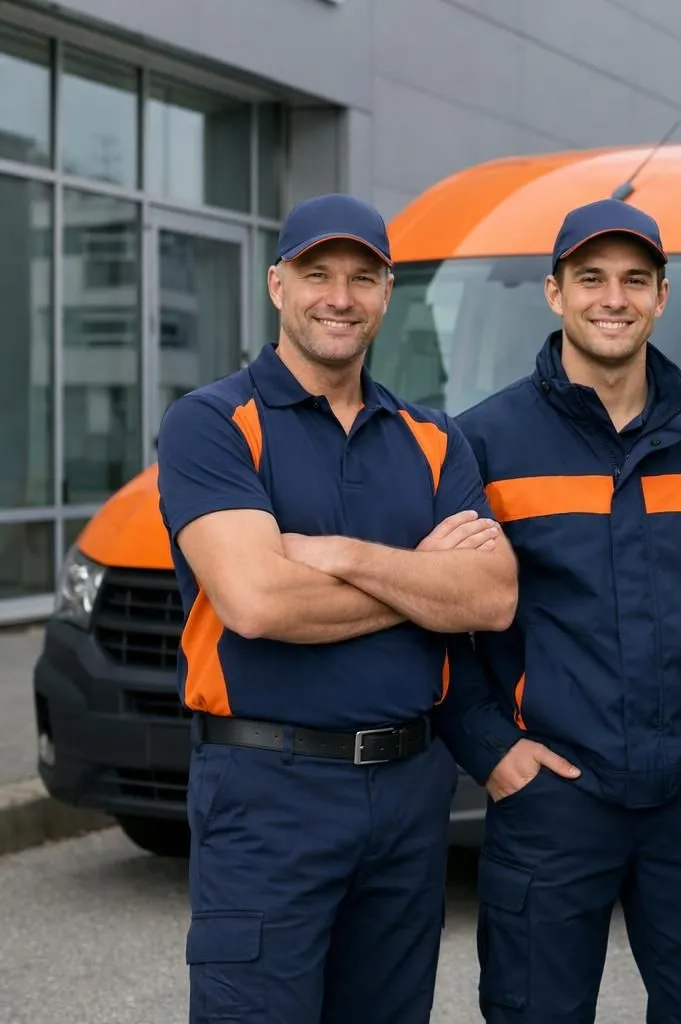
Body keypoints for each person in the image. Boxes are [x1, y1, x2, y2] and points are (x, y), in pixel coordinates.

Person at [155, 192, 522, 1024]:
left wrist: (345, 557)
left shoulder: (433, 439)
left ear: (388, 292)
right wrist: (424, 585)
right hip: (267, 792)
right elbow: (255, 601)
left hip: (407, 793)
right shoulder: (211, 424)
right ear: (277, 283)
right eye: (318, 273)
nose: (340, 296)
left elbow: (492, 595)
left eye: (363, 277)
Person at [448, 198, 681, 1024]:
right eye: (591, 278)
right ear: (554, 292)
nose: (614, 297)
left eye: (636, 280)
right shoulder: (481, 443)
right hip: (549, 801)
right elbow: (440, 624)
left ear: (662, 296)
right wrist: (494, 751)